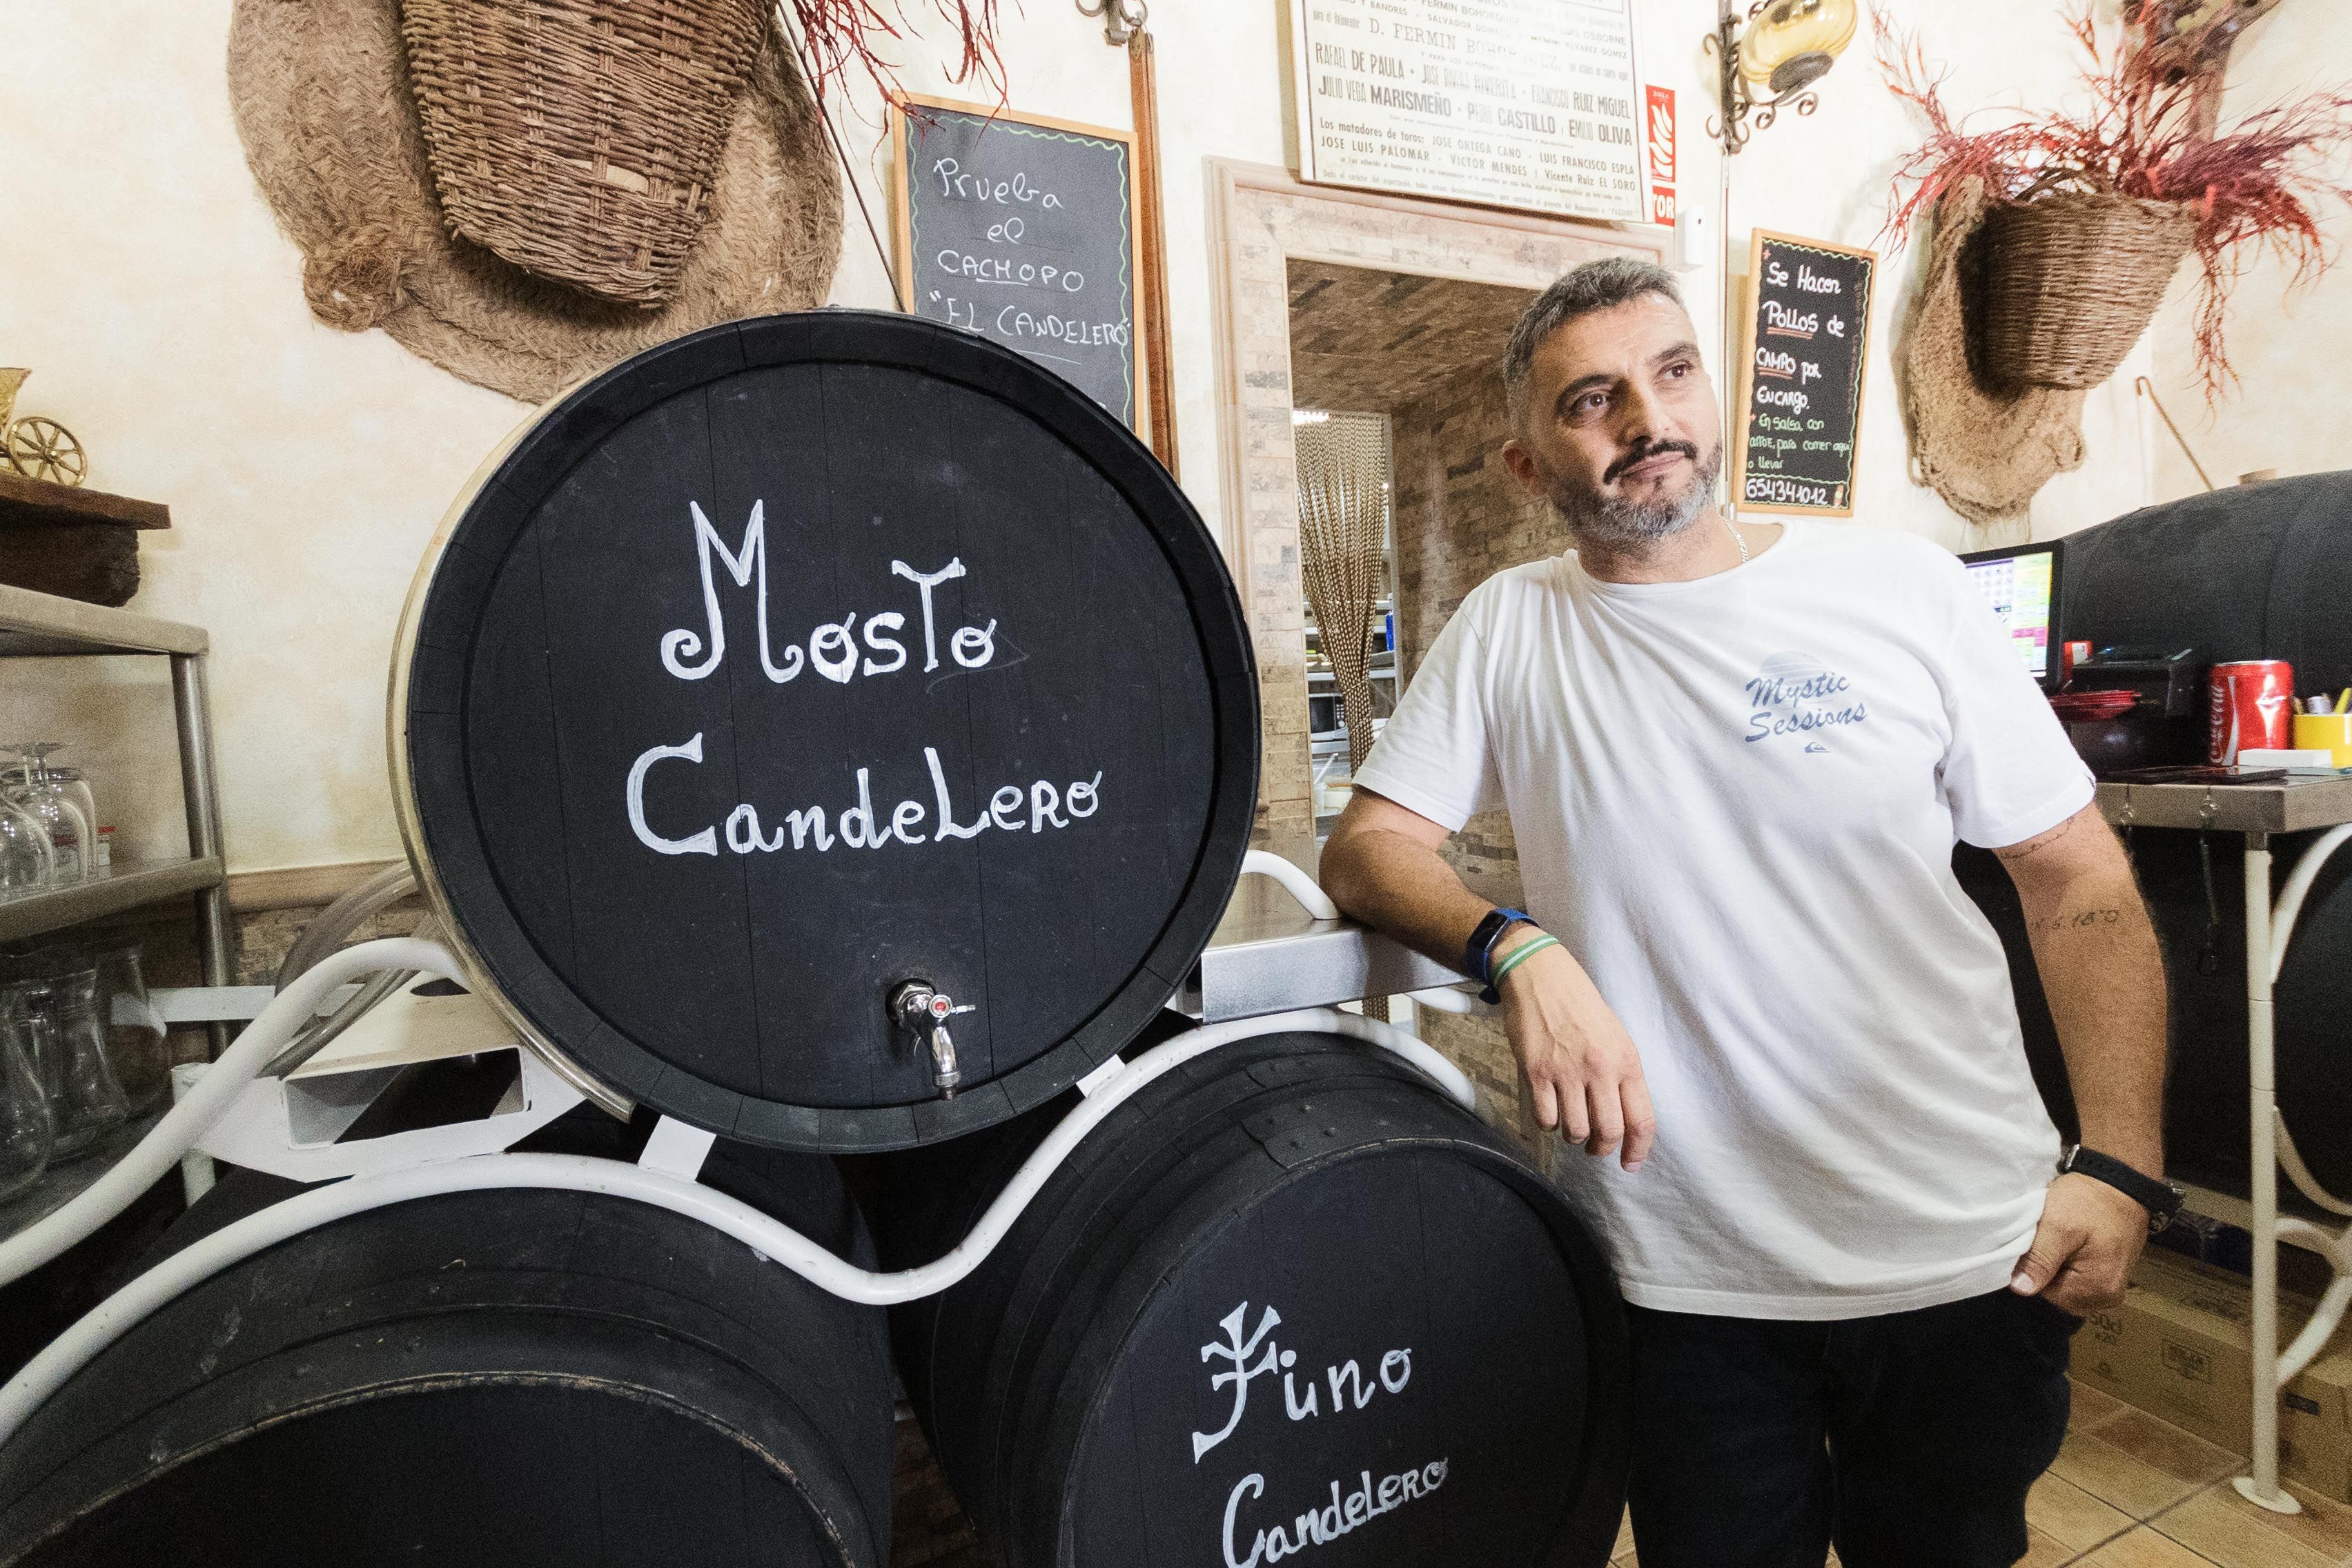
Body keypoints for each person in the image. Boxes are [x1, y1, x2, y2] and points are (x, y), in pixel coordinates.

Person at [1317, 257, 2175, 1568]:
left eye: (1671, 374)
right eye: (1591, 401)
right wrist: (1517, 948)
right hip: (1682, 1277)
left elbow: (2081, 884)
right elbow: (1368, 848)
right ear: (1527, 464)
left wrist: (2120, 1167)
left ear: (1714, 397)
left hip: (1961, 1256)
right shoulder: (1508, 630)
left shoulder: (1900, 591)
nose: (1646, 422)